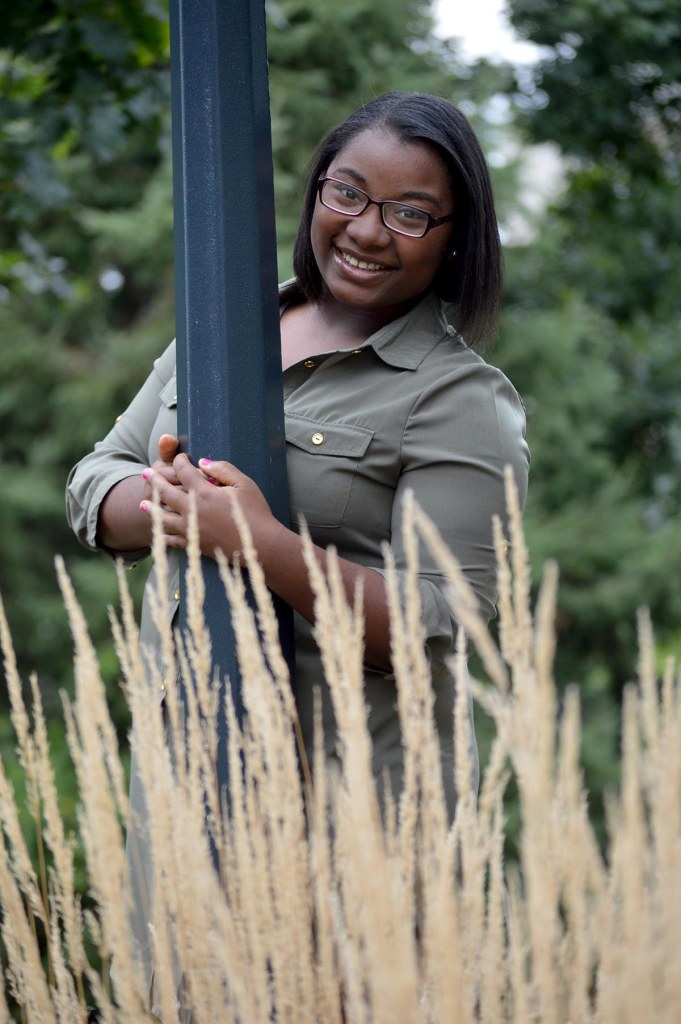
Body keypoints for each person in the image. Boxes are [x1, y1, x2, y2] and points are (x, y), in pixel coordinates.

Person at [66, 91, 529, 994]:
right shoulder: (222, 330)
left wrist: (258, 541)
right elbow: (96, 476)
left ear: (454, 237)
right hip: (187, 778)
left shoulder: (460, 400)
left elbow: (442, 620)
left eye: (408, 213)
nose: (365, 230)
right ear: (315, 193)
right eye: (345, 193)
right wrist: (154, 502)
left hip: (354, 810)